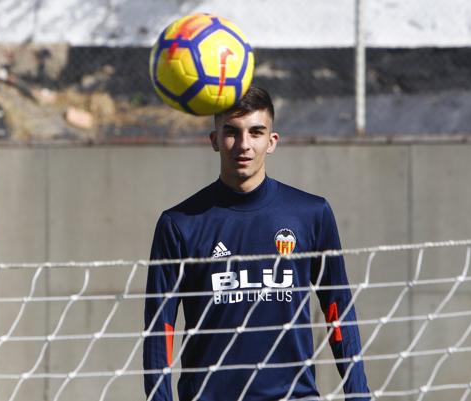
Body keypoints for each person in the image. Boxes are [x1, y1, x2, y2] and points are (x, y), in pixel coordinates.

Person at [144, 86, 370, 401]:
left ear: (271, 141)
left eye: (256, 132)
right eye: (231, 133)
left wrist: (359, 394)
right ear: (214, 140)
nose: (244, 145)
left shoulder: (311, 213)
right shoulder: (180, 223)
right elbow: (160, 328)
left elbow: (338, 307)